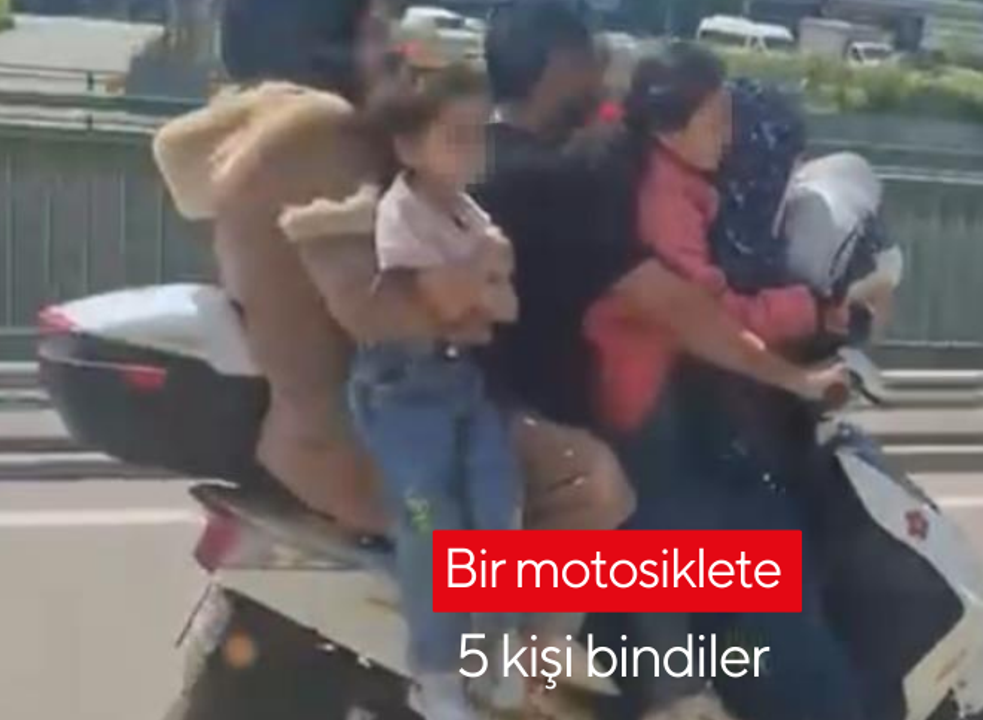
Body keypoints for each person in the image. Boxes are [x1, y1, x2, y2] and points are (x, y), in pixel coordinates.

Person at [474, 5, 858, 720]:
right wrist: (796, 375)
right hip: (575, 443)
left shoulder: (483, 160)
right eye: (591, 58)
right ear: (558, 66)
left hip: (521, 426)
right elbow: (681, 308)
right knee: (769, 558)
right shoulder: (554, 181)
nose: (602, 74)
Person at [151, 0, 633, 540]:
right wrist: (471, 285)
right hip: (364, 437)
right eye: (376, 31)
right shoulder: (319, 134)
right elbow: (374, 304)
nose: (394, 49)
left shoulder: (259, 131)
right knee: (588, 481)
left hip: (352, 416)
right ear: (319, 41)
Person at [578, 43, 869, 720]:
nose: (728, 137)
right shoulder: (665, 201)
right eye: (714, 121)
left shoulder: (685, 190)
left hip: (655, 400)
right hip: (644, 403)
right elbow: (709, 315)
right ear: (668, 126)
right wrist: (805, 313)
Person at [340, 64, 524, 720]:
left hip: (461, 382)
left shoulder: (470, 215)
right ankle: (434, 673)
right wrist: (482, 268)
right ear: (409, 146)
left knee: (500, 508)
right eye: (456, 136)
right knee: (430, 522)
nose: (473, 150)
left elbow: (503, 308)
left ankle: (488, 655)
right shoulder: (402, 212)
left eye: (480, 135)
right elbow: (446, 299)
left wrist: (476, 285)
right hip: (403, 392)